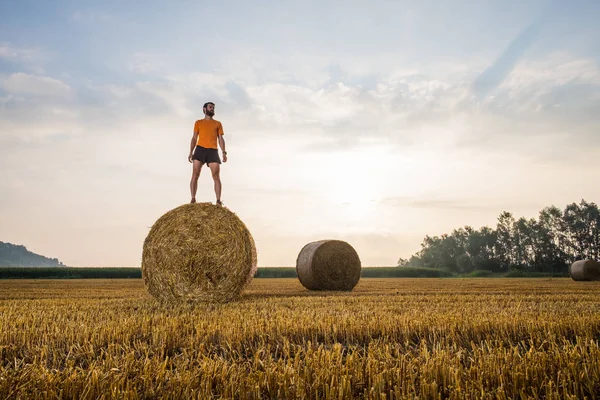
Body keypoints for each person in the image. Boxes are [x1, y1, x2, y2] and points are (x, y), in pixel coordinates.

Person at [188, 102, 228, 205]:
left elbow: (220, 139)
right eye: (210, 107)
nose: (212, 109)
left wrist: (224, 152)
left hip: (213, 150)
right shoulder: (198, 122)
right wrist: (190, 152)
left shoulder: (217, 123)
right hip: (200, 149)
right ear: (204, 109)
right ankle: (193, 198)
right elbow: (194, 138)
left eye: (213, 108)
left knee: (216, 176)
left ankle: (218, 200)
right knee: (195, 174)